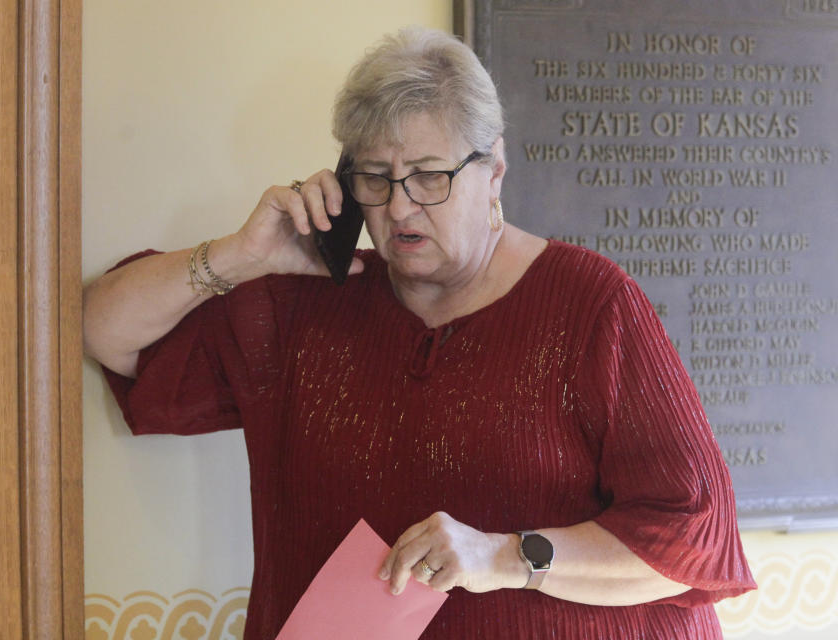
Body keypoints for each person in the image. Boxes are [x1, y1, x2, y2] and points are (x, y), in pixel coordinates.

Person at [83, 27, 755, 639]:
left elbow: (695, 541)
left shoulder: (592, 305)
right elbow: (108, 331)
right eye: (376, 178)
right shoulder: (307, 305)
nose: (400, 206)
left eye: (430, 176)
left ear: (493, 169)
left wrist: (503, 556)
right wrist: (239, 256)